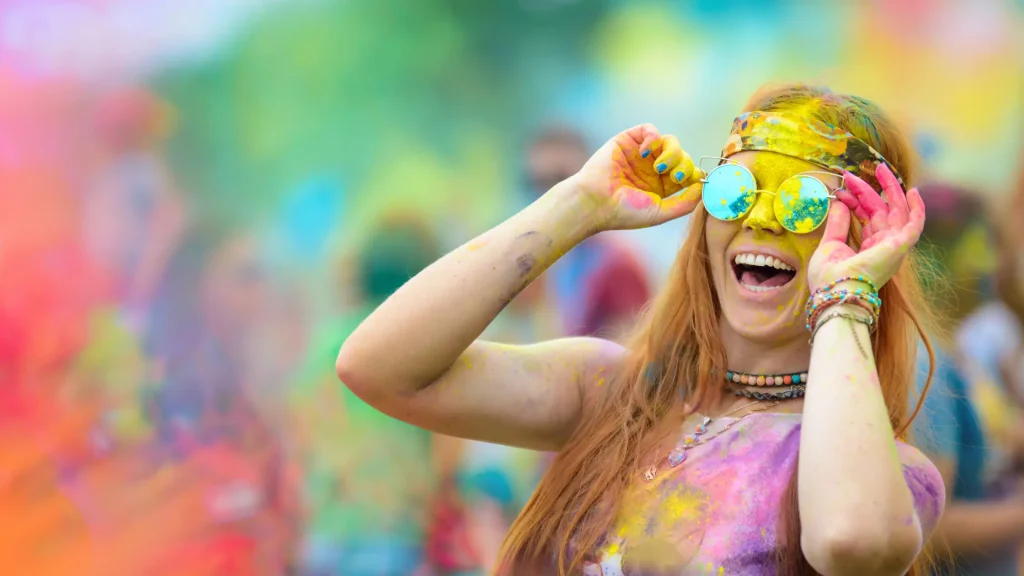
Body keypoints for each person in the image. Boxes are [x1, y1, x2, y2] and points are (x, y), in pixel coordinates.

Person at [336, 84, 946, 575]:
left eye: (805, 205)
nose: (761, 223)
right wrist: (579, 204)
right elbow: (379, 368)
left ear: (869, 242)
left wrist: (844, 293)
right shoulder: (611, 393)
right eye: (737, 191)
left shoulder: (886, 474)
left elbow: (852, 540)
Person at [913, 180, 1024, 575]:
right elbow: (926, 526)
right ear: (929, 258)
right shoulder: (924, 364)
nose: (993, 263)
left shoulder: (956, 347)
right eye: (980, 246)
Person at [525, 126, 653, 337]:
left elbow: (633, 356)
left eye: (560, 180)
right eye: (537, 182)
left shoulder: (617, 265)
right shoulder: (548, 259)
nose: (547, 193)